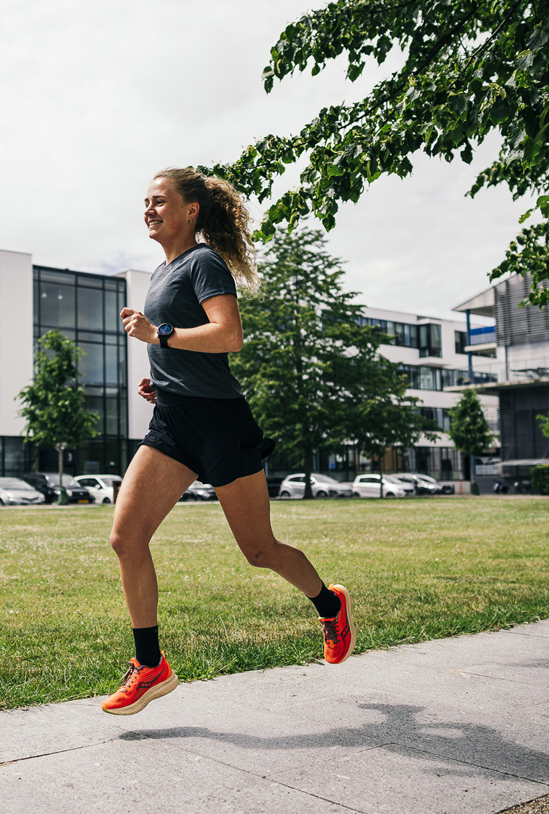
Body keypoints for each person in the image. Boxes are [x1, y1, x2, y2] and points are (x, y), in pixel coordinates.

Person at [99, 167, 353, 716]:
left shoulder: (204, 262)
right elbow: (189, 347)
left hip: (220, 423)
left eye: (159, 200)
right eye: (145, 201)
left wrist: (158, 334)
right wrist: (162, 378)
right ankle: (150, 665)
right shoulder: (160, 273)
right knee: (126, 537)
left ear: (190, 210)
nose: (148, 209)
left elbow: (228, 335)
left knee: (259, 550)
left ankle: (329, 604)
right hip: (173, 421)